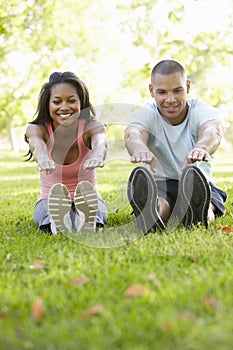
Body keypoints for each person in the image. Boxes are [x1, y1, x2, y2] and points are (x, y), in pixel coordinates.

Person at [124, 59, 227, 234]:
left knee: (207, 202)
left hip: (199, 183)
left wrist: (202, 147)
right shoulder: (147, 113)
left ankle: (200, 215)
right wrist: (139, 148)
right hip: (161, 185)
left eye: (177, 91)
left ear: (187, 86)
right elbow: (133, 133)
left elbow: (213, 131)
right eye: (162, 92)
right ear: (151, 90)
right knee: (160, 201)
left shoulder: (200, 110)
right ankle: (152, 214)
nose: (170, 99)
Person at [25, 71, 108, 234]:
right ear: (48, 104)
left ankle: (86, 221)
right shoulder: (38, 129)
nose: (64, 107)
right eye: (57, 101)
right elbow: (36, 144)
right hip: (49, 199)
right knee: (46, 211)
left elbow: (100, 142)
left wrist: (98, 155)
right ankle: (58, 222)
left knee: (96, 209)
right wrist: (42, 157)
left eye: (71, 101)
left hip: (87, 198)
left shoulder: (92, 127)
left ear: (81, 102)